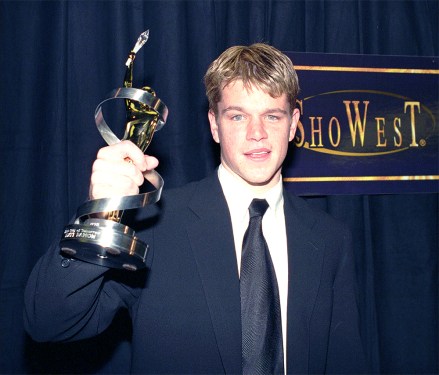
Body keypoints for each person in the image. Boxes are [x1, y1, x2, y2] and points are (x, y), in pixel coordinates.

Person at [24, 43, 367, 374]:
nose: (257, 133)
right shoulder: (154, 225)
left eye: (272, 116)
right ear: (214, 125)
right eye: (237, 116)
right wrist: (100, 214)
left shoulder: (330, 239)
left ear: (293, 124)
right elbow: (48, 322)